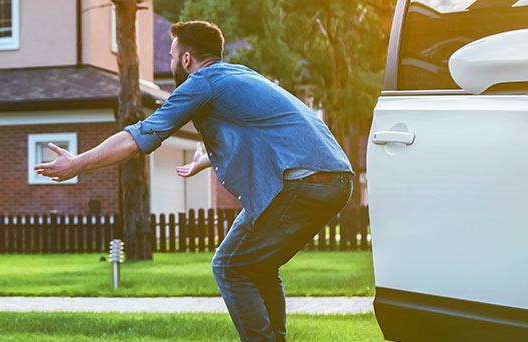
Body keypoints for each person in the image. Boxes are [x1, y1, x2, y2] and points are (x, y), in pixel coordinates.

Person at [35, 20, 353, 342]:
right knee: (258, 265)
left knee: (230, 266)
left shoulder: (201, 82)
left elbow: (139, 137)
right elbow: (263, 130)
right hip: (333, 178)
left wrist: (77, 163)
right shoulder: (240, 75)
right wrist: (207, 159)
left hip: (301, 183)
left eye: (172, 55)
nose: (171, 62)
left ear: (186, 59)